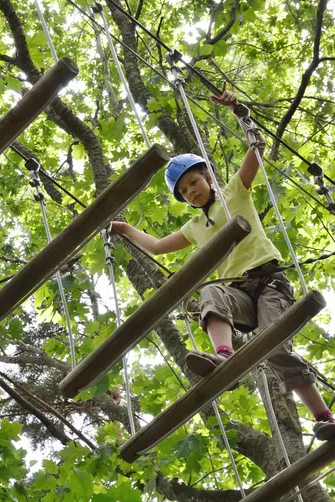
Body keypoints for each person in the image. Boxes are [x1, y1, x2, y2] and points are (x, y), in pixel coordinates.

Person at [112, 84, 335, 441]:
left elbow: (256, 152)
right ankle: (223, 354)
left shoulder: (234, 192)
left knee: (276, 348)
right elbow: (156, 246)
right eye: (184, 191)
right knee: (211, 290)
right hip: (238, 296)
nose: (191, 191)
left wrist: (240, 113)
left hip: (269, 284)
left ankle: (324, 415)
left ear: (209, 178)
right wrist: (125, 229)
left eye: (194, 182)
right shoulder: (194, 225)